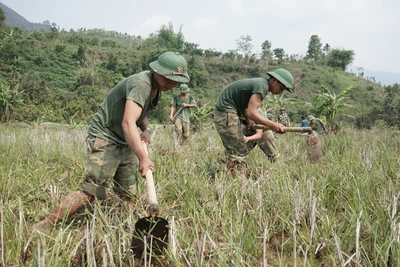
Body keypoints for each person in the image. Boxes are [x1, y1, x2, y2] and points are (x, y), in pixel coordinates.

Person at [33, 51, 190, 231]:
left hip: (125, 139)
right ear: (157, 71)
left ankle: (115, 228)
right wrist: (143, 158)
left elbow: (141, 111)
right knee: (92, 192)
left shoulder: (157, 88)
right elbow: (128, 122)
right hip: (106, 135)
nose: (172, 84)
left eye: (176, 80)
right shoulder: (141, 84)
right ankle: (44, 226)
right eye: (169, 78)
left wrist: (145, 129)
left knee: (128, 193)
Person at [213, 68, 294, 177]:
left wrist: (249, 121)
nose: (280, 92)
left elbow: (244, 107)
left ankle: (232, 175)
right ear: (274, 80)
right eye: (281, 88)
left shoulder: (259, 83)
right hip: (226, 113)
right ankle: (238, 182)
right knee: (238, 151)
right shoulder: (262, 86)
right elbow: (252, 111)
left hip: (228, 112)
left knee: (237, 149)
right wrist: (273, 125)